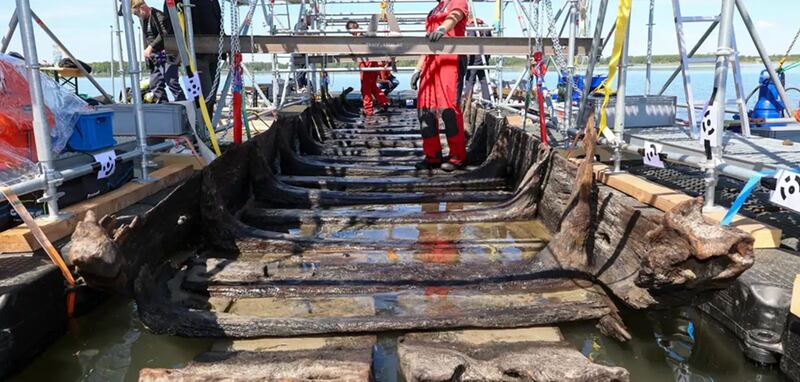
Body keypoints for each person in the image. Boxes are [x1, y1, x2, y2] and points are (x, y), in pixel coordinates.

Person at [410, 0, 469, 171]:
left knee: (448, 109)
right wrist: (418, 68)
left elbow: (455, 16)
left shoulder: (457, 1)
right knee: (425, 110)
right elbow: (428, 42)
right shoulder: (434, 10)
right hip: (430, 61)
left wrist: (443, 29)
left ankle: (457, 157)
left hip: (450, 59)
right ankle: (432, 156)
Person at [162, 0, 224, 110]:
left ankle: (206, 120)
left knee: (211, 97)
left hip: (213, 53)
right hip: (193, 56)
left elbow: (218, 23)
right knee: (201, 98)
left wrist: (224, 46)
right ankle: (197, 120)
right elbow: (170, 21)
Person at [131, 0, 184, 104]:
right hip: (155, 57)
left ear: (142, 8)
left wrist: (150, 47)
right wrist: (148, 54)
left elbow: (164, 33)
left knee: (172, 82)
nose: (138, 16)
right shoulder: (143, 20)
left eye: (137, 13)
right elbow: (146, 38)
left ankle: (183, 104)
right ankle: (164, 105)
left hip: (167, 53)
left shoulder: (159, 16)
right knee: (155, 84)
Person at [346, 20, 390, 116]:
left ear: (353, 29)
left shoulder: (360, 37)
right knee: (372, 86)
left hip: (367, 63)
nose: (351, 34)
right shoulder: (366, 34)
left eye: (350, 31)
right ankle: (384, 102)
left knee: (365, 88)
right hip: (372, 62)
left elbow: (357, 50)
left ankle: (368, 110)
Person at [464, 18, 492, 106]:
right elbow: (491, 41)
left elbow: (470, 42)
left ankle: (467, 102)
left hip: (474, 57)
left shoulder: (472, 27)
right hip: (485, 56)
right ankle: (487, 103)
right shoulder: (485, 27)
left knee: (469, 80)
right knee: (484, 80)